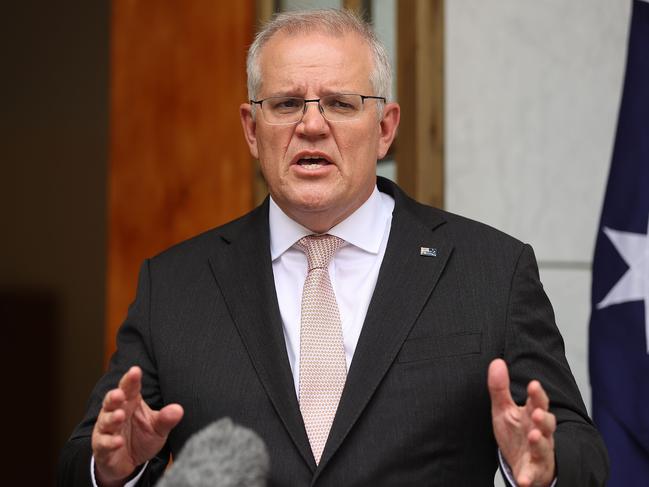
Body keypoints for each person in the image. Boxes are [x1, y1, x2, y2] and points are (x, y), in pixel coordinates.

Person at [58, 9, 608, 487]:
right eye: (287, 103)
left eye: (341, 104)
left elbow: (583, 452)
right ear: (252, 130)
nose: (312, 125)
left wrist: (541, 467)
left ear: (386, 128)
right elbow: (84, 460)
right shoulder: (176, 285)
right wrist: (116, 470)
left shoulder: (491, 271)